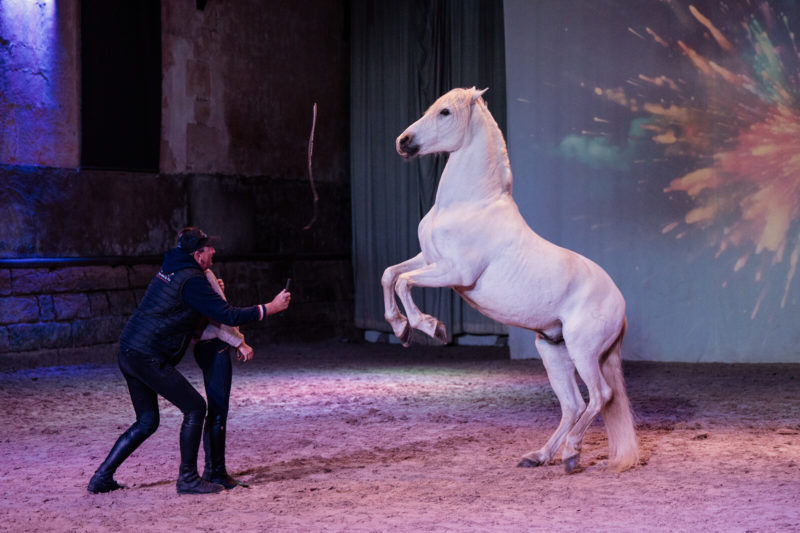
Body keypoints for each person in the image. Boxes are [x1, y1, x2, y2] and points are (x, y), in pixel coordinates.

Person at [87, 227, 291, 495]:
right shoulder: (192, 280)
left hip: (129, 350)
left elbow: (187, 307)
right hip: (147, 356)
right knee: (195, 408)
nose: (213, 251)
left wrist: (211, 294)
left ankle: (101, 478)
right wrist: (270, 308)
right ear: (197, 254)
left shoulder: (172, 268)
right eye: (208, 248)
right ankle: (188, 479)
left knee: (147, 421)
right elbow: (227, 315)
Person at [192, 266, 258, 489]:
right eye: (209, 250)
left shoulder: (192, 276)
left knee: (216, 410)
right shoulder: (202, 275)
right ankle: (216, 472)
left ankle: (214, 469)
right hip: (214, 345)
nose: (213, 252)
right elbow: (219, 318)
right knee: (218, 412)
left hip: (206, 346)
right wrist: (239, 342)